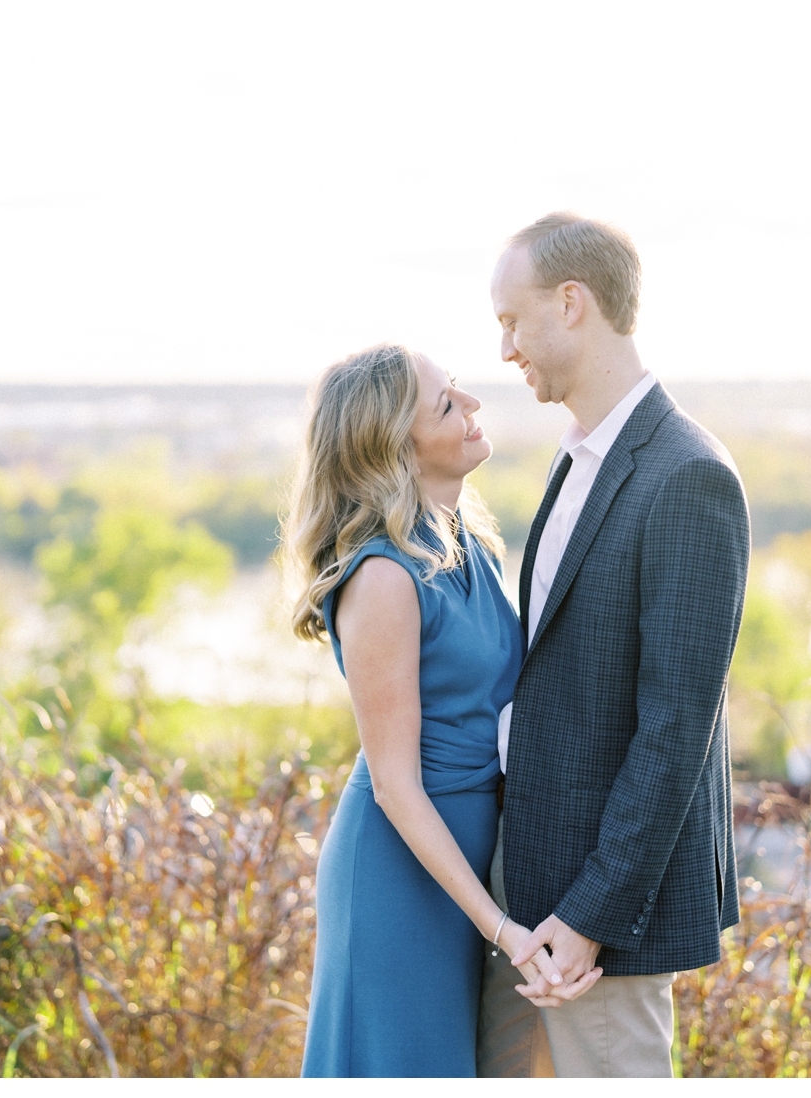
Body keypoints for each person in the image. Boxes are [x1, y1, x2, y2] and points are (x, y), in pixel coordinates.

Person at [477, 213, 750, 1078]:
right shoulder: (580, 458)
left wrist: (589, 913)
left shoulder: (688, 476)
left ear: (571, 303)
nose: (507, 347)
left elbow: (677, 732)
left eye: (511, 321)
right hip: (526, 890)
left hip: (599, 920)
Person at [284, 344, 597, 1078]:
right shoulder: (386, 576)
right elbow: (395, 785)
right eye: (448, 404)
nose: (474, 407)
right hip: (401, 876)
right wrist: (500, 928)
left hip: (465, 870)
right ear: (395, 445)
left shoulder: (467, 544)